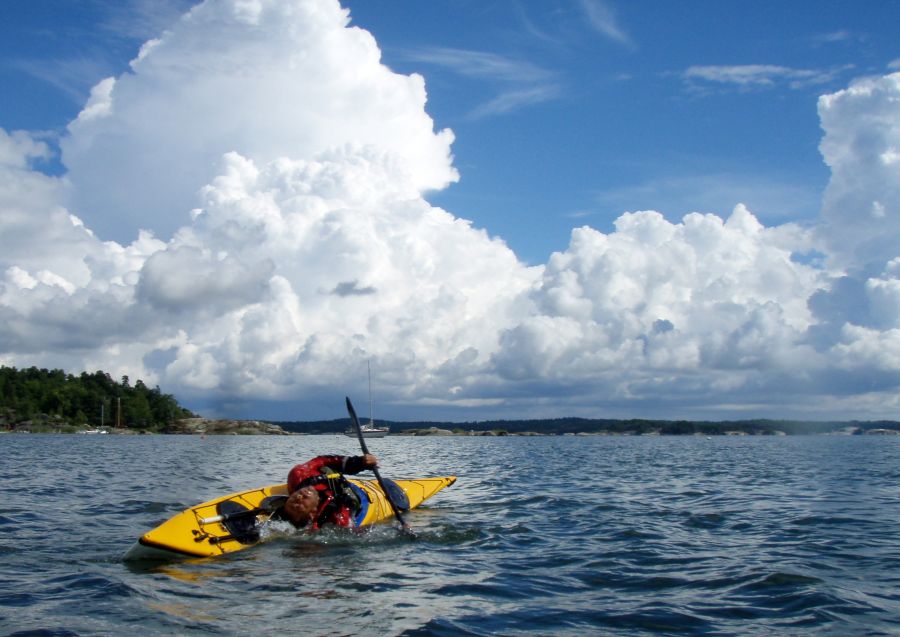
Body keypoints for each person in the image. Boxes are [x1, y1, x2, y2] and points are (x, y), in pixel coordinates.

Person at [282, 454, 378, 529]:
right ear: (312, 513)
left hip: (348, 483)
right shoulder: (338, 516)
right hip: (362, 498)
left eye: (292, 501)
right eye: (299, 505)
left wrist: (360, 462)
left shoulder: (298, 475)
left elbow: (322, 460)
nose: (299, 497)